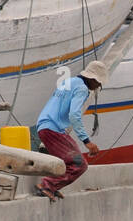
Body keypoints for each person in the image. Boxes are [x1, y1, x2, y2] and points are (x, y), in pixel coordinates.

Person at [35, 60, 107, 201]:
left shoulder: (69, 82)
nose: (98, 86)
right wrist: (87, 141)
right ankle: (47, 185)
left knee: (65, 161)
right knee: (79, 164)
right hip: (53, 129)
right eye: (99, 83)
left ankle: (53, 186)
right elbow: (74, 115)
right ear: (92, 79)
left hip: (45, 126)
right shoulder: (82, 89)